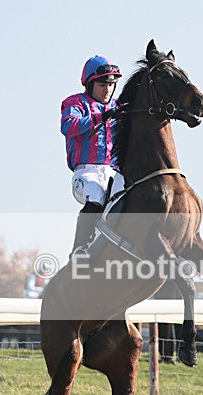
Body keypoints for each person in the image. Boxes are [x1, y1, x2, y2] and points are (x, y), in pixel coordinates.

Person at [60, 55, 123, 256]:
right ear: (89, 84)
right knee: (96, 195)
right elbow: (68, 126)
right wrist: (102, 116)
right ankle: (78, 249)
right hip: (86, 174)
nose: (108, 90)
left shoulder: (118, 107)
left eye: (111, 85)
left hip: (113, 173)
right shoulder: (75, 102)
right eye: (102, 85)